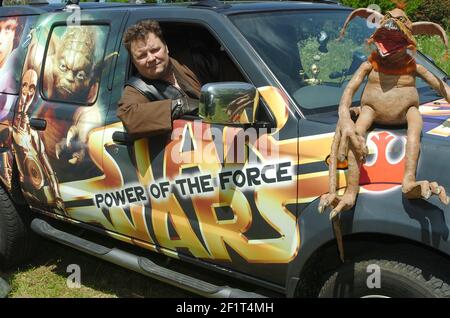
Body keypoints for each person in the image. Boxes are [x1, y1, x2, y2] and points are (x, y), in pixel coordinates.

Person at [117, 20, 201, 139]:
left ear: (166, 47)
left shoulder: (191, 63)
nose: (151, 58)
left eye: (155, 50)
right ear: (134, 62)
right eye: (142, 55)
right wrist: (180, 106)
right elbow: (129, 116)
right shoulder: (136, 89)